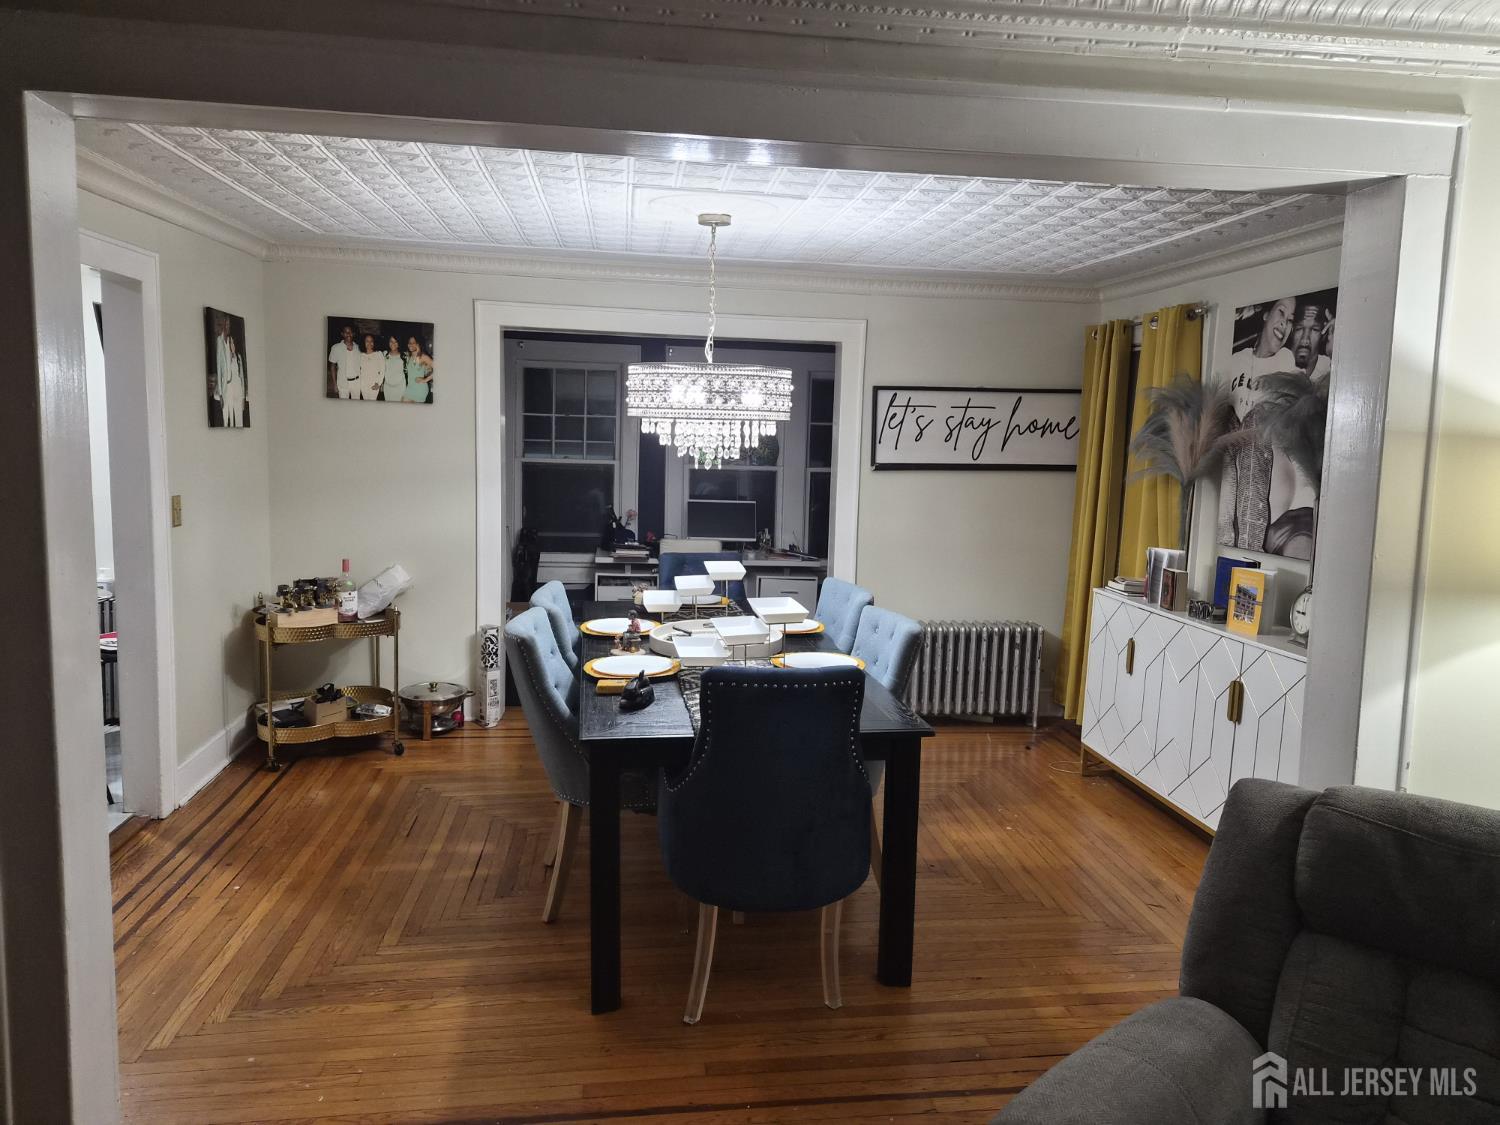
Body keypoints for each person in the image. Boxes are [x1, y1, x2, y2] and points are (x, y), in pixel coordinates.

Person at [1218, 297, 1297, 553]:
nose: (1285, 324)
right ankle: (1226, 543)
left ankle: (1249, 547)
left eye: (1291, 320)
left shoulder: (1286, 362)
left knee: (1255, 422)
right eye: (1281, 313)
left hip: (1261, 450)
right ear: (1265, 315)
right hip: (1231, 449)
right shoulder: (1237, 360)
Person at [328, 324, 360, 399]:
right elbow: (332, 366)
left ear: (354, 334)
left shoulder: (358, 347)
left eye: (350, 332)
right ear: (342, 334)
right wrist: (335, 384)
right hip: (342, 383)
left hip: (356, 383)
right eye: (346, 332)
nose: (348, 334)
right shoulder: (336, 348)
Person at [403, 336, 433, 404]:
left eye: (413, 342)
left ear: (418, 344)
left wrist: (425, 379)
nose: (410, 344)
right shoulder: (409, 356)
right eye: (409, 342)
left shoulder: (423, 357)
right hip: (409, 388)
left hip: (420, 389)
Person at [358, 333, 384, 401]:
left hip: (374, 384)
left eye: (371, 341)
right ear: (363, 342)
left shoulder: (378, 353)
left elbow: (383, 370)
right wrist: (360, 385)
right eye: (367, 341)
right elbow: (359, 371)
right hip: (363, 385)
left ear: (374, 342)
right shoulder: (361, 355)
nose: (369, 343)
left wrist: (378, 383)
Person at [381, 334, 406, 402]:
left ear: (399, 343)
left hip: (400, 387)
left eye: (395, 342)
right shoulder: (384, 354)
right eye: (391, 341)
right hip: (387, 387)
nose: (393, 344)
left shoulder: (404, 355)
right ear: (388, 342)